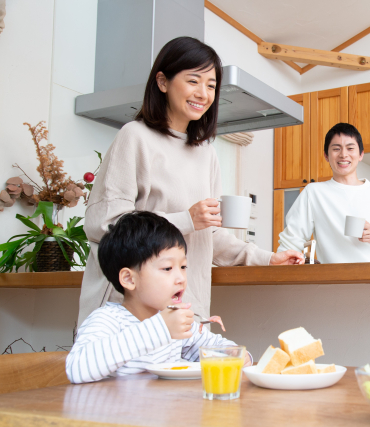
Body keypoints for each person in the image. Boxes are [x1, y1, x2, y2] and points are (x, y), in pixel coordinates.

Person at [78, 37, 303, 325]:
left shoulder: (206, 153)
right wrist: (186, 219)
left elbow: (206, 235)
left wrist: (267, 258)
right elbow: (104, 223)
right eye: (193, 81)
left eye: (211, 85)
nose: (203, 93)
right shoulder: (134, 136)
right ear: (162, 82)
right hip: (131, 310)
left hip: (185, 307)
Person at [66, 212, 250, 384]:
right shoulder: (109, 321)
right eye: (167, 268)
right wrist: (161, 328)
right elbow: (77, 369)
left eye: (183, 267)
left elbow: (219, 348)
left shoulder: (175, 324)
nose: (180, 278)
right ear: (129, 279)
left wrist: (241, 357)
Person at [277, 123, 370, 264]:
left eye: (350, 148)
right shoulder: (314, 193)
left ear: (361, 155)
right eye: (336, 149)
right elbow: (292, 239)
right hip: (334, 280)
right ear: (326, 156)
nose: (343, 154)